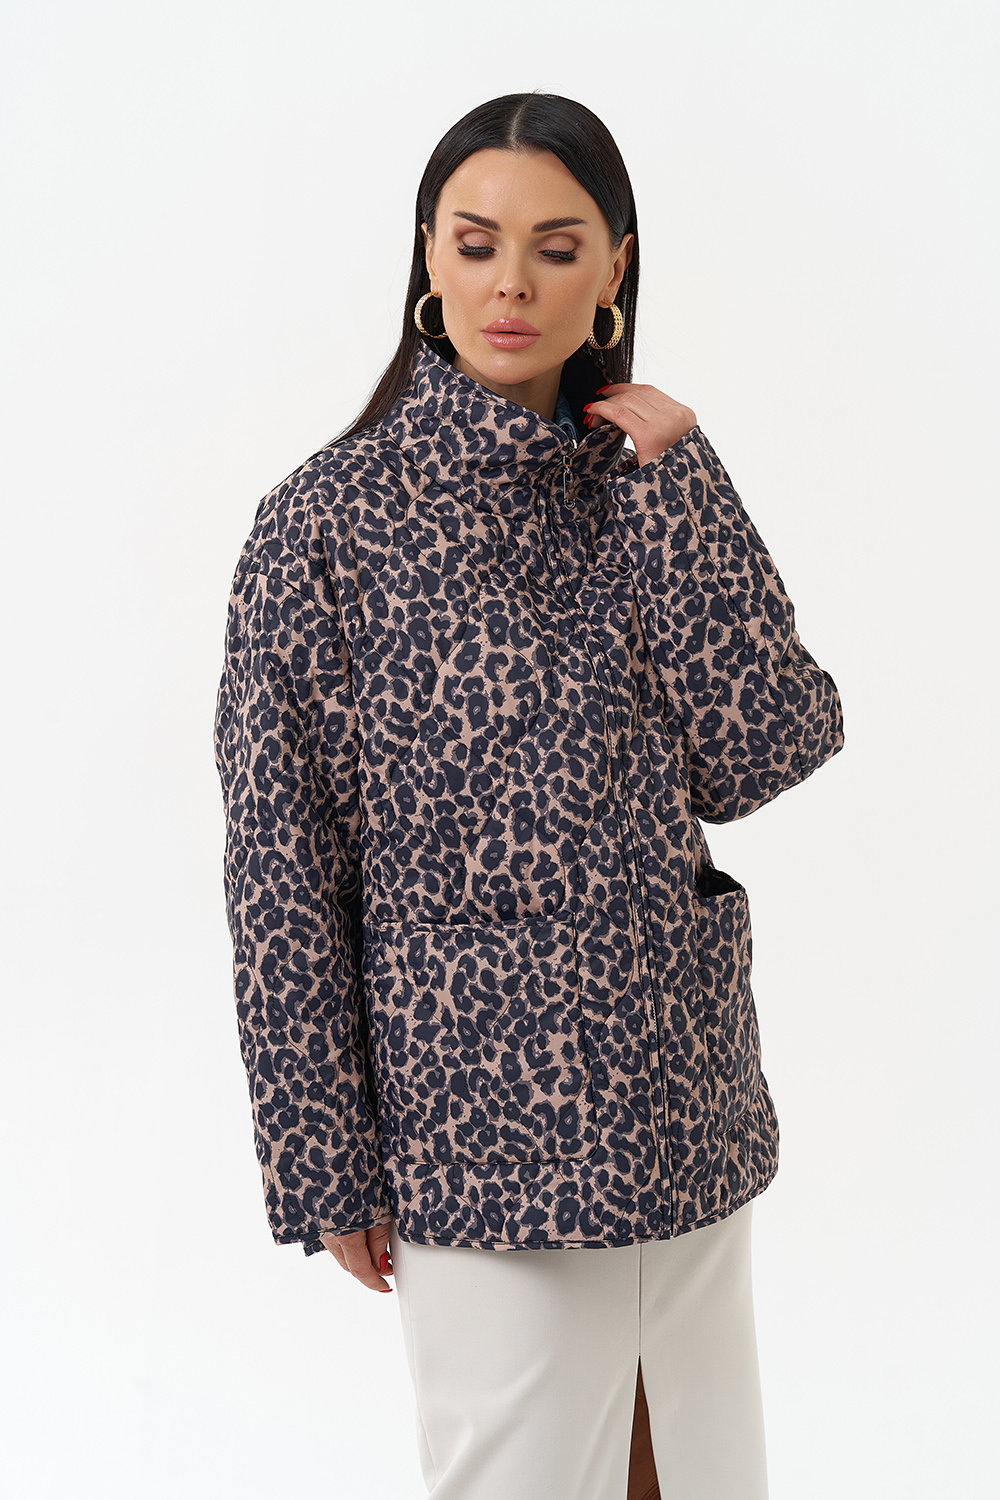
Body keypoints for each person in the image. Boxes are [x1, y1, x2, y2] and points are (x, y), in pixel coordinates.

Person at [214, 91, 845, 1500]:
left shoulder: (646, 482)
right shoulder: (326, 523)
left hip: (681, 1107)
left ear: (613, 266)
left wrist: (684, 488)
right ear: (428, 257)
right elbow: (281, 870)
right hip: (478, 1139)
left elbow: (769, 748)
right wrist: (325, 1161)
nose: (513, 284)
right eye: (478, 242)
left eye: (557, 249)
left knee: (704, 1478)